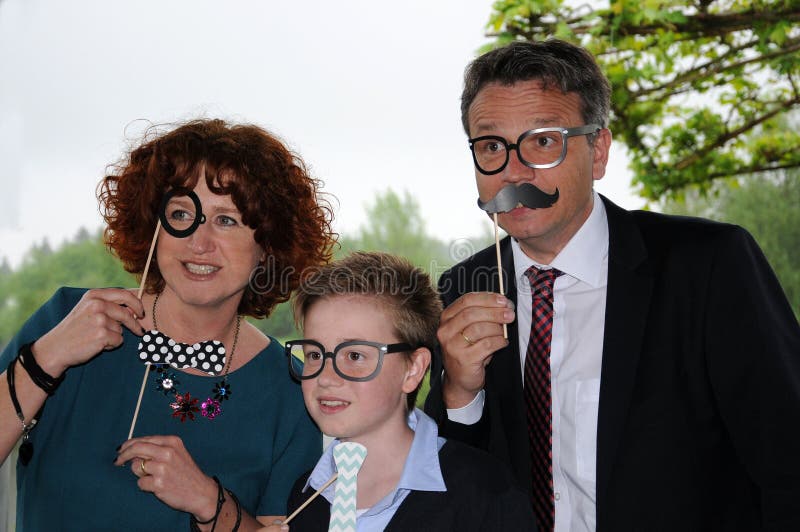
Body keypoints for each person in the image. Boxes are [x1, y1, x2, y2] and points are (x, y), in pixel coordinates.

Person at [424, 39, 800, 531]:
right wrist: (460, 392)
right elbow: (452, 486)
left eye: (542, 141)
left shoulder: (708, 265)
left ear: (598, 151)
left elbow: (787, 461)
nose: (513, 171)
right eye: (492, 146)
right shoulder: (462, 287)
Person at [0, 118, 335, 530]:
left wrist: (210, 503)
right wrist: (43, 360)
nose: (199, 241)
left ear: (267, 244)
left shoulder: (291, 393)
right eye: (181, 213)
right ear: (154, 228)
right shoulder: (68, 320)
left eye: (226, 220)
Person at [262, 251, 536, 531]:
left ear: (414, 369)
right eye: (315, 355)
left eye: (355, 356)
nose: (326, 378)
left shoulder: (484, 493)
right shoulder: (306, 497)